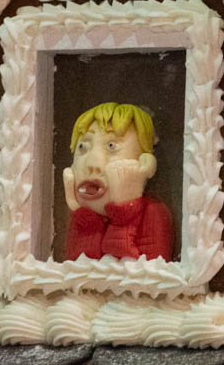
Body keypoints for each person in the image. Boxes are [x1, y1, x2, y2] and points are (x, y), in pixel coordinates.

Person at [62, 102, 173, 261]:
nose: (92, 165)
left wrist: (125, 212)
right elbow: (80, 269)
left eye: (111, 146)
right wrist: (78, 209)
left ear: (144, 162)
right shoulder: (82, 220)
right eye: (82, 147)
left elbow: (141, 278)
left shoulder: (152, 213)